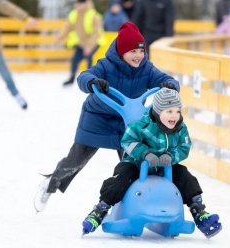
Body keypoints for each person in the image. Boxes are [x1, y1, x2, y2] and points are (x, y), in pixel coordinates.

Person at [34, 22, 179, 212]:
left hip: (128, 122)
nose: (138, 56)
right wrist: (93, 81)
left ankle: (132, 202)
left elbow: (168, 80)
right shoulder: (106, 65)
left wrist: (169, 85)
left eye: (141, 51)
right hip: (98, 118)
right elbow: (83, 76)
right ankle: (50, 184)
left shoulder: (146, 69)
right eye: (133, 51)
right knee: (76, 160)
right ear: (121, 52)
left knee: (133, 164)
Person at [81, 88, 222, 238]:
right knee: (121, 178)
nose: (174, 116)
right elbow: (127, 141)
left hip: (164, 166)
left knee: (186, 177)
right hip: (136, 163)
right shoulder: (141, 125)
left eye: (177, 111)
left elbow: (185, 147)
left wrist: (171, 155)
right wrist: (145, 153)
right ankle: (101, 209)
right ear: (158, 110)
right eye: (168, 111)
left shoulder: (180, 128)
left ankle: (199, 213)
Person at [56, 0, 105, 86]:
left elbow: (96, 33)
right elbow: (67, 27)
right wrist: (60, 37)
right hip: (81, 43)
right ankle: (71, 78)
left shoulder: (93, 15)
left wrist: (89, 46)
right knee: (75, 60)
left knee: (89, 58)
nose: (77, 5)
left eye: (80, 3)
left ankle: (91, 79)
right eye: (77, 3)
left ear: (85, 4)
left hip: (94, 42)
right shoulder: (73, 14)